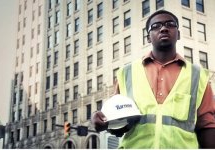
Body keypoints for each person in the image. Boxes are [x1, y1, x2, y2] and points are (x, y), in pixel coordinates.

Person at [91, 10, 215, 148]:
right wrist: (101, 119)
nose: (163, 28)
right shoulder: (126, 73)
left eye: (170, 24)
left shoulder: (198, 76)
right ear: (148, 37)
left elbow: (207, 125)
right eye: (156, 26)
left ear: (178, 34)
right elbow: (117, 120)